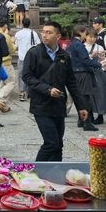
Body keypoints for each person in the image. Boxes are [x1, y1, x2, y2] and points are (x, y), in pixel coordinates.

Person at [21, 22, 89, 161]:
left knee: (58, 144)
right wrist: (47, 89)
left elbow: (71, 82)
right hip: (41, 105)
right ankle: (35, 173)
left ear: (58, 36)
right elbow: (27, 77)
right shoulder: (34, 53)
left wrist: (81, 106)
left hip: (59, 105)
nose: (44, 35)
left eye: (49, 32)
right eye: (43, 32)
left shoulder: (64, 55)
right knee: (51, 143)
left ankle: (56, 172)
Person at [66, 25, 99, 132]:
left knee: (80, 98)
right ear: (80, 33)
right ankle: (87, 122)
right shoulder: (79, 45)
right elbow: (85, 60)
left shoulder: (71, 45)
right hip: (82, 73)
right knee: (86, 98)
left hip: (75, 73)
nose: (86, 35)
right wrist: (97, 63)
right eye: (85, 33)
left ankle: (81, 120)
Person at [84, 27, 106, 124]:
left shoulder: (99, 47)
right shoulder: (82, 47)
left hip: (98, 73)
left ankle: (100, 115)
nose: (92, 39)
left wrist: (102, 58)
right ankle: (89, 115)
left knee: (100, 93)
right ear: (85, 37)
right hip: (87, 73)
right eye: (90, 36)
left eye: (94, 37)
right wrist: (91, 56)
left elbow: (103, 61)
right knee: (88, 95)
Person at [14, 17, 41, 102]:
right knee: (32, 74)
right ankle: (30, 91)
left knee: (22, 75)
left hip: (22, 56)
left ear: (22, 24)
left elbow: (16, 46)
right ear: (30, 24)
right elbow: (38, 44)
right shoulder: (34, 33)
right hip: (32, 57)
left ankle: (22, 92)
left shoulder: (18, 34)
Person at [0, 21, 18, 113]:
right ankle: (0, 99)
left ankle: (3, 105)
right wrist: (13, 43)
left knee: (1, 84)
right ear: (5, 26)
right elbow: (11, 51)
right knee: (11, 82)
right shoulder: (6, 36)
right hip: (6, 63)